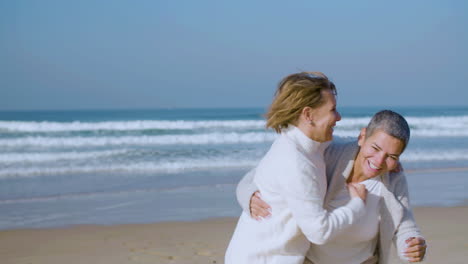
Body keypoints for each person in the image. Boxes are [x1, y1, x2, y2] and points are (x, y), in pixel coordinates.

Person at [237, 110, 428, 264]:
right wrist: (249, 194)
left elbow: (403, 221)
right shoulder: (328, 153)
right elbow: (262, 172)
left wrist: (411, 243)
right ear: (362, 137)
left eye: (392, 156)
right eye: (375, 149)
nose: (379, 161)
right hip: (310, 259)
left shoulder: (393, 179)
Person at [225, 72, 368, 264]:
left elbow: (340, 146)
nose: (339, 117)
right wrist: (357, 205)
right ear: (308, 115)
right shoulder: (295, 161)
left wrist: (376, 151)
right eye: (332, 110)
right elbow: (319, 232)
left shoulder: (308, 145)